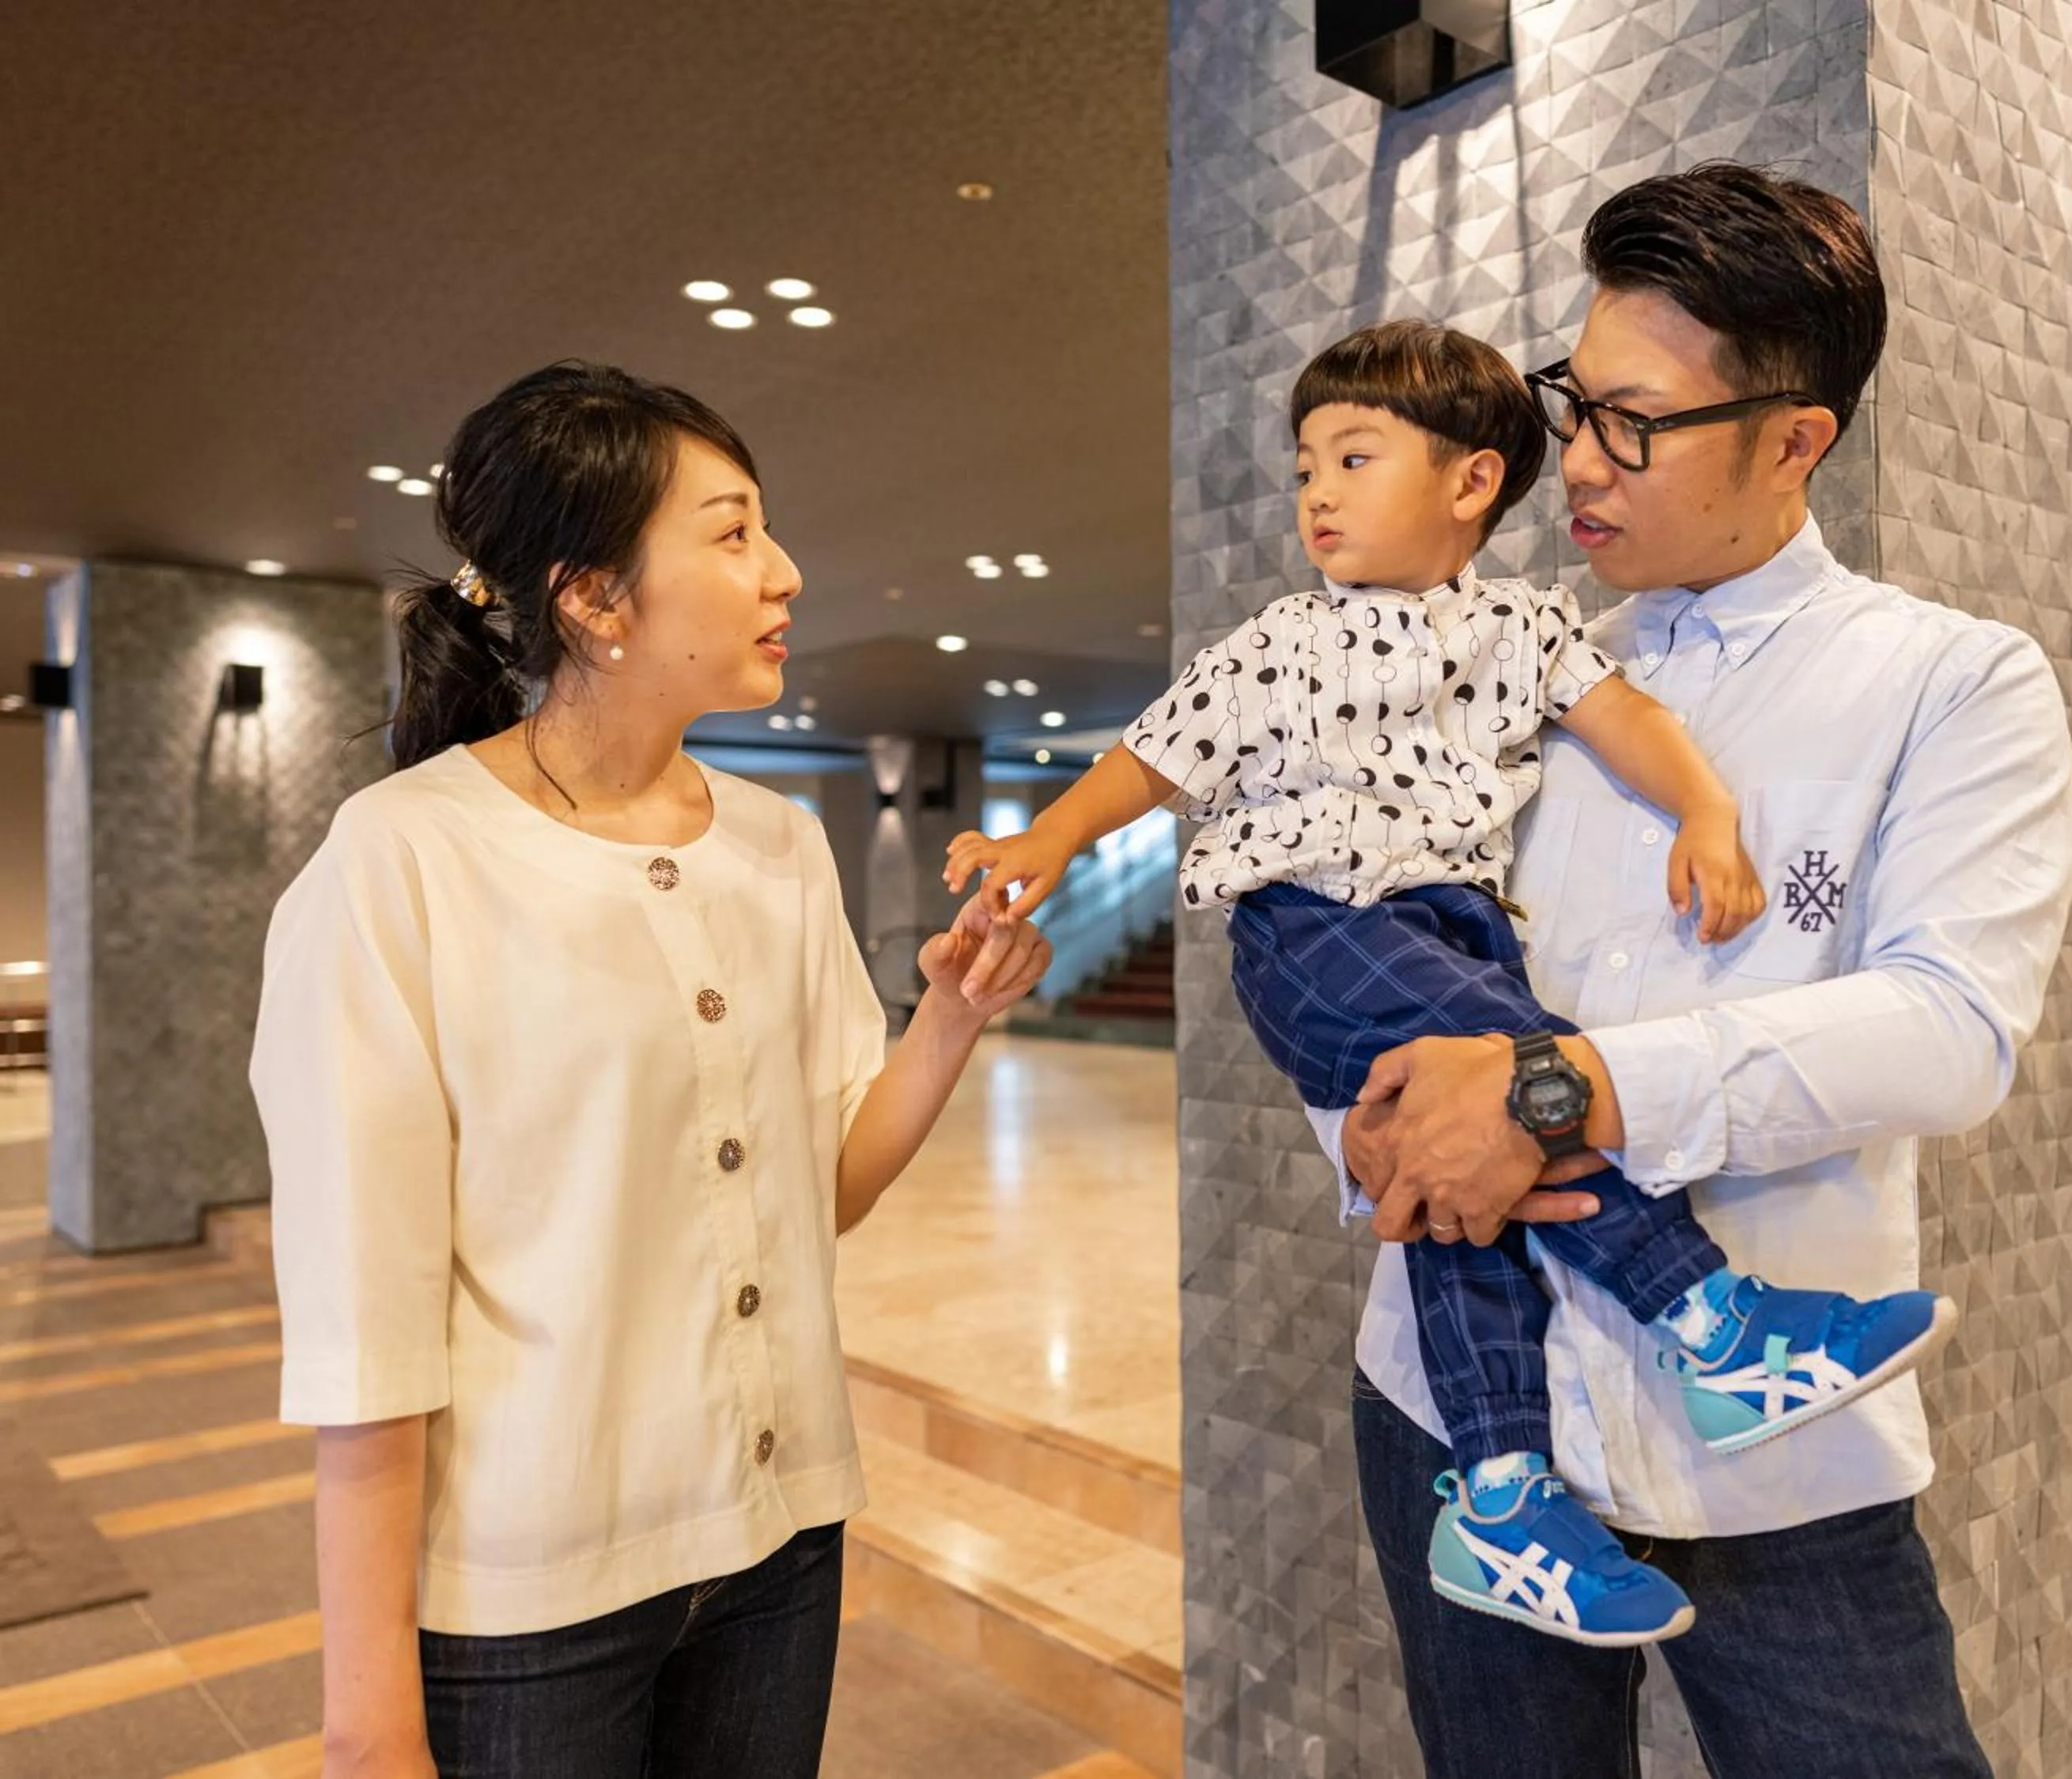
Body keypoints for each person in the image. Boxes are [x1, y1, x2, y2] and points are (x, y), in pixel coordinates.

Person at [944, 319, 1956, 1649]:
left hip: (1450, 925)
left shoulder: (1528, 629)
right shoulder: (1281, 641)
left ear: (1471, 482)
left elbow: (1629, 720)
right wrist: (1045, 844)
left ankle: (1498, 1491)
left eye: (1351, 457)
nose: (1315, 490)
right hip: (1314, 921)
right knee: (1527, 1077)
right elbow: (1154, 759)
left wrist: (1708, 811)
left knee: (1474, 1193)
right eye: (1306, 463)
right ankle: (1712, 1319)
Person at [1332, 164, 2072, 1776]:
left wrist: (1559, 1089)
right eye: (1572, 404)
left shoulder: (1950, 683)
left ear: (1795, 437)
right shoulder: (1490, 660)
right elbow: (1361, 940)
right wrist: (1366, 1128)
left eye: (1634, 423)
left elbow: (1949, 1031)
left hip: (1774, 1461)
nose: (1575, 465)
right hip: (1462, 1413)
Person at [250, 361, 1049, 1779]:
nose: (784, 571)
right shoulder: (403, 858)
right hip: (528, 1597)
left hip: (779, 1540)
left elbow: (823, 1192)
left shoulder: (778, 841)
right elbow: (365, 1321)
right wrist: (367, 1722)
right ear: (594, 598)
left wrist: (950, 1022)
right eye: (733, 533)